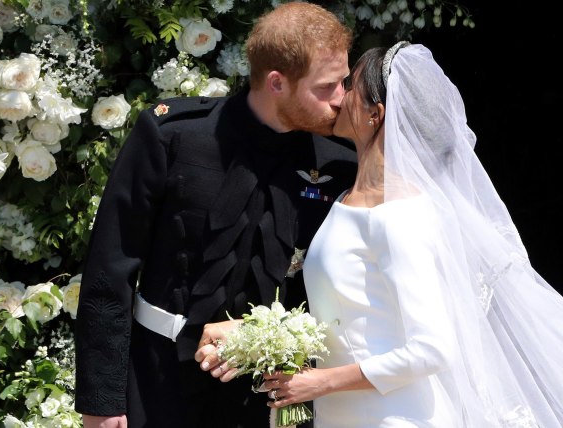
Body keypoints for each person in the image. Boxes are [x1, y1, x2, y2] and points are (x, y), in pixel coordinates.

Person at [254, 43, 563, 427]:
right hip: (346, 415)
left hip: (397, 417)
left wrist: (321, 382)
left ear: (376, 113)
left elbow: (432, 349)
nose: (339, 95)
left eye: (350, 86)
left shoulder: (399, 214)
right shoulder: (351, 199)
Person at [73, 3, 356, 427]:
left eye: (344, 82)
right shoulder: (174, 137)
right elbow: (109, 270)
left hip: (272, 397)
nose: (341, 99)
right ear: (276, 82)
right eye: (327, 87)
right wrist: (102, 400)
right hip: (158, 381)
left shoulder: (339, 164)